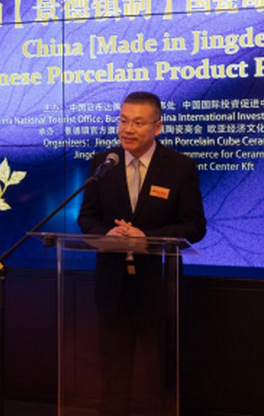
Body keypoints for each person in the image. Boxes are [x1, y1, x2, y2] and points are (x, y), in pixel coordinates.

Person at [78, 91, 206, 416]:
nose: (127, 129)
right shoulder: (104, 163)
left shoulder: (179, 167)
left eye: (138, 122)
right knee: (113, 372)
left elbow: (194, 226)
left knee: (158, 373)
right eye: (123, 121)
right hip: (112, 285)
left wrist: (147, 238)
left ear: (157, 127)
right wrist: (105, 235)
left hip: (158, 286)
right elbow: (87, 218)